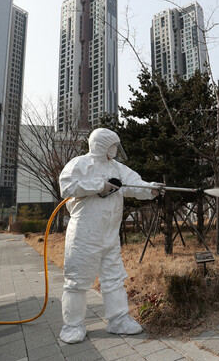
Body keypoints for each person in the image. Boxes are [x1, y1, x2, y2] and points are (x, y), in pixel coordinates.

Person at [58, 128, 162, 343]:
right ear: (102, 145)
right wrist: (99, 186)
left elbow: (135, 184)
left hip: (110, 235)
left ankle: (118, 319)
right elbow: (67, 186)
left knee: (114, 277)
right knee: (77, 280)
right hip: (84, 234)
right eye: (113, 145)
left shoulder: (118, 168)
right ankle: (73, 325)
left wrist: (151, 189)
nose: (116, 150)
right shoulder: (80, 164)